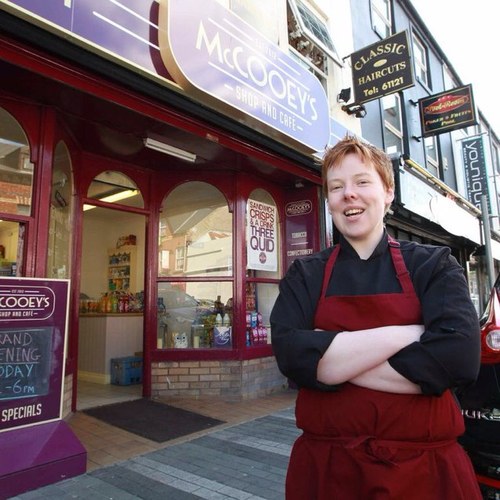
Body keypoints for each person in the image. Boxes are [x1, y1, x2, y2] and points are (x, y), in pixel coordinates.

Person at [270, 135, 482, 499]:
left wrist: (332, 359)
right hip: (328, 474)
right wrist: (407, 335)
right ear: (329, 201)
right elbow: (291, 356)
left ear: (388, 193)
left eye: (362, 182)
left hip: (426, 475)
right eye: (336, 187)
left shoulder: (433, 265)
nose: (348, 194)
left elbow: (458, 359)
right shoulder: (305, 274)